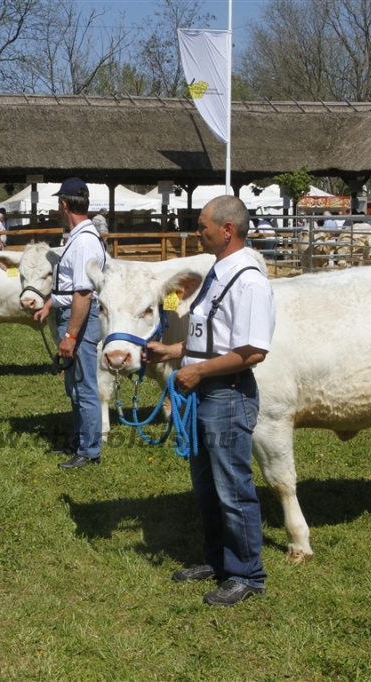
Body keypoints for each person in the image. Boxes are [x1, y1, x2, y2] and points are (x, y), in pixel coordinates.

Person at [146, 195, 275, 607]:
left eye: (202, 225)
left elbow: (254, 351)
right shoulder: (218, 272)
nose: (196, 231)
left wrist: (199, 371)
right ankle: (219, 560)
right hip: (206, 392)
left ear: (227, 230)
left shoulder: (250, 280)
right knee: (207, 486)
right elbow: (212, 339)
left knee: (232, 486)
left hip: (229, 395)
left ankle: (247, 574)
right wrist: (174, 352)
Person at [31, 178, 105, 469]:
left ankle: (89, 450)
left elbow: (84, 293)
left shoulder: (84, 240)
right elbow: (70, 286)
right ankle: (79, 442)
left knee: (84, 386)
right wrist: (50, 304)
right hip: (71, 315)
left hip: (80, 321)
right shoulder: (78, 237)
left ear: (64, 203)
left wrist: (71, 335)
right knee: (75, 386)